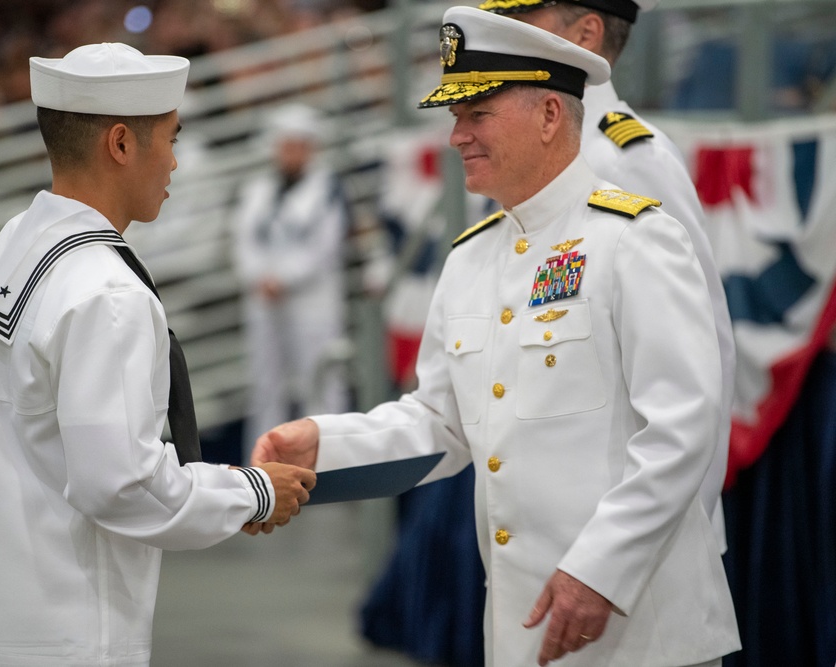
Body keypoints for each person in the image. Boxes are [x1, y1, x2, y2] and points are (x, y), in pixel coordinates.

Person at [252, 8, 740, 666]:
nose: (456, 137)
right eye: (456, 117)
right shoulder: (471, 257)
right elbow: (442, 421)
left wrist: (601, 569)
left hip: (639, 624)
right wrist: (322, 443)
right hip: (523, 624)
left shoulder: (635, 238)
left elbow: (686, 424)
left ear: (547, 114)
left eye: (476, 115)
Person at [0, 43, 316, 667]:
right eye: (169, 138)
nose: (174, 161)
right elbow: (121, 486)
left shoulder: (18, 239)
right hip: (65, 637)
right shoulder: (106, 291)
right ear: (120, 144)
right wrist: (251, 492)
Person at [479, 0, 735, 553]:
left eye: (520, 21)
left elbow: (702, 349)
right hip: (543, 511)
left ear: (588, 33)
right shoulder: (522, 142)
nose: (502, 36)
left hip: (629, 534)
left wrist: (676, 529)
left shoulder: (627, 157)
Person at [232, 102, 349, 459]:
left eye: (300, 145)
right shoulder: (257, 190)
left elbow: (324, 248)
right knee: (265, 381)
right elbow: (241, 239)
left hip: (311, 300)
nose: (292, 153)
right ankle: (263, 461)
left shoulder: (327, 188)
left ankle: (333, 460)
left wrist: (283, 279)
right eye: (286, 145)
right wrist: (259, 277)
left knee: (322, 380)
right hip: (264, 299)